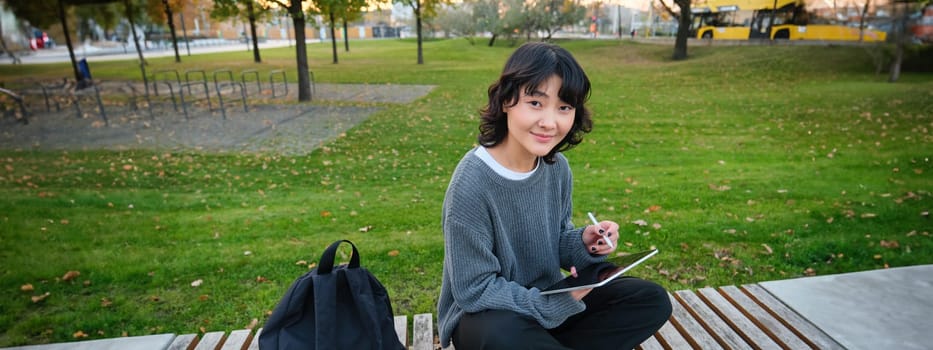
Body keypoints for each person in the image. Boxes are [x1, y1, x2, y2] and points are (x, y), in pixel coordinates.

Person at [437, 42, 672, 350]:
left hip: (548, 297)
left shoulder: (556, 167)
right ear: (507, 100)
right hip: (488, 315)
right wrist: (554, 305)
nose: (550, 122)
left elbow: (556, 240)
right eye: (536, 102)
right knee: (501, 334)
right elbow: (474, 289)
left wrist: (585, 242)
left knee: (650, 299)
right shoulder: (472, 182)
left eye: (564, 108)